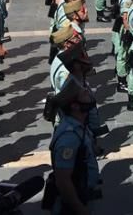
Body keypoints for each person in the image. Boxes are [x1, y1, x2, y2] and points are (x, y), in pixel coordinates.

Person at [48, 78, 100, 215]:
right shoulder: (69, 138)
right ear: (75, 106)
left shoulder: (79, 125)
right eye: (84, 94)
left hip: (83, 192)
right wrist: (80, 210)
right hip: (73, 203)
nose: (89, 95)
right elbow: (63, 181)